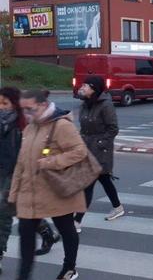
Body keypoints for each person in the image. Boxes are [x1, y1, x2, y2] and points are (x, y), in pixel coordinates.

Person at [10, 89, 87, 280]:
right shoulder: (30, 128)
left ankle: (69, 268)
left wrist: (51, 162)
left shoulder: (61, 125)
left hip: (57, 188)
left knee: (66, 228)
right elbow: (21, 163)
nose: (26, 114)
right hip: (31, 193)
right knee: (26, 235)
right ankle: (23, 276)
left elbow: (80, 151)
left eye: (30, 109)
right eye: (23, 110)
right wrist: (13, 193)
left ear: (43, 105)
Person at [74, 76, 124, 233]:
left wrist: (99, 144)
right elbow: (84, 128)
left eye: (85, 85)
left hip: (101, 150)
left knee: (88, 184)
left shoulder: (106, 105)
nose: (82, 88)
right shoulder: (85, 104)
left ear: (94, 88)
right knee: (104, 180)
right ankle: (118, 207)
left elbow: (113, 129)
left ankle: (77, 221)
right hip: (87, 149)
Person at [0, 87, 27, 274]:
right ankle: (46, 233)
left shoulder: (22, 126)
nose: (0, 107)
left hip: (13, 176)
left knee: (4, 215)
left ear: (14, 104)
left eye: (4, 103)